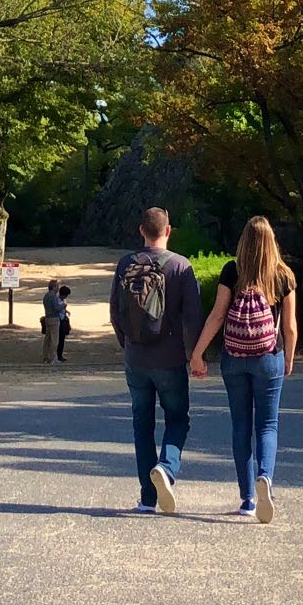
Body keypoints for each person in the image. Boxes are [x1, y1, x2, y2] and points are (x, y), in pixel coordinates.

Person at [189, 215, 297, 521]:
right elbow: (289, 326)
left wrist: (197, 354)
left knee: (240, 425)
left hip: (234, 357)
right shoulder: (283, 275)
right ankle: (266, 477)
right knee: (267, 424)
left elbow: (217, 316)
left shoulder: (231, 270)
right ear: (272, 242)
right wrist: (288, 357)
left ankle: (248, 499)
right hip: (268, 356)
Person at [110, 206, 205, 515]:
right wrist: (195, 356)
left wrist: (128, 344)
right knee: (178, 419)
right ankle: (166, 467)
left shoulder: (125, 265)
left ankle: (147, 499)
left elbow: (115, 312)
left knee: (142, 425)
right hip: (170, 358)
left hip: (135, 359)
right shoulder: (181, 266)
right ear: (168, 231)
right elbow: (193, 318)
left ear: (142, 231)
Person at [41, 278, 64, 363]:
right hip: (54, 318)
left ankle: (45, 357)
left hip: (47, 318)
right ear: (54, 287)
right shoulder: (53, 296)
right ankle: (53, 358)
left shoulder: (46, 296)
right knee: (54, 339)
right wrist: (63, 306)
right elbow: (56, 307)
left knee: (47, 339)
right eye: (57, 286)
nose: (58, 288)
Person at [55, 284, 72, 365]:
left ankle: (60, 354)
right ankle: (57, 355)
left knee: (62, 339)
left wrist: (66, 310)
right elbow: (57, 309)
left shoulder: (63, 300)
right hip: (59, 320)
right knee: (59, 339)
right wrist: (63, 307)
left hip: (63, 318)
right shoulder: (57, 300)